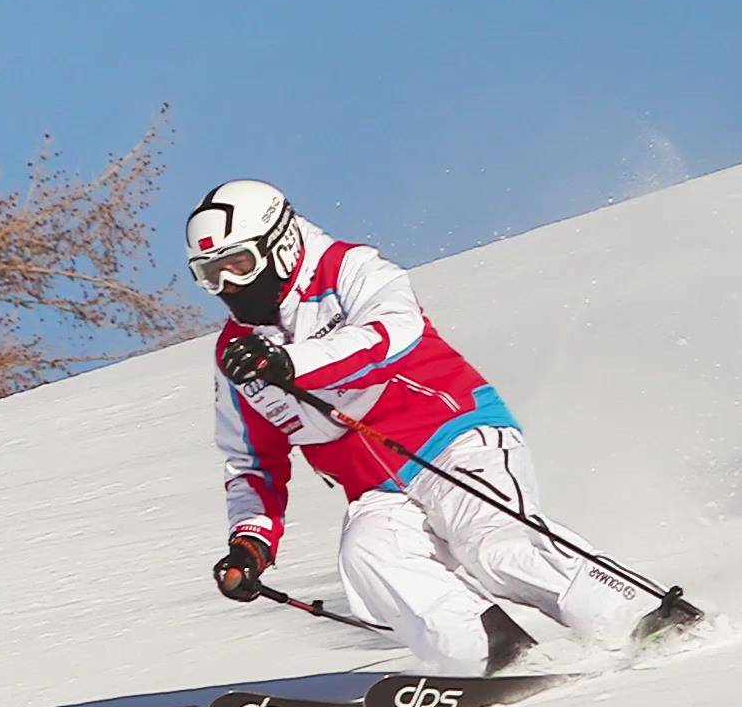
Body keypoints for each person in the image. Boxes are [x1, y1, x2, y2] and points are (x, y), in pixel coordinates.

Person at [191, 179, 683, 676]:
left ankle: (645, 617)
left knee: (495, 545)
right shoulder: (237, 355)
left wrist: (293, 362)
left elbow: (392, 335)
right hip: (376, 485)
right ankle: (492, 655)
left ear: (281, 245)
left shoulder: (350, 269)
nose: (228, 286)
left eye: (240, 265)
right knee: (369, 554)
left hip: (451, 438)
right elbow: (253, 461)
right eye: (210, 275)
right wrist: (250, 542)